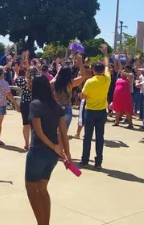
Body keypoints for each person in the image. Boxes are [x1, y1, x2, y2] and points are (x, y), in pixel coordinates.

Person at [26, 75, 71, 225]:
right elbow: (64, 132)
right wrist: (66, 153)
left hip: (39, 151)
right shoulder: (56, 105)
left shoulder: (35, 105)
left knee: (31, 189)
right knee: (43, 189)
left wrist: (54, 146)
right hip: (53, 155)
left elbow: (38, 132)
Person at [79, 44, 110, 169]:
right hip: (102, 111)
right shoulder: (107, 79)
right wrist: (105, 53)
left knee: (87, 137)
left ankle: (85, 160)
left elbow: (83, 96)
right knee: (99, 137)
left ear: (93, 71)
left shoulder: (90, 81)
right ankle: (98, 162)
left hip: (90, 111)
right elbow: (107, 65)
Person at [51, 59, 85, 132]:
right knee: (63, 133)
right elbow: (83, 75)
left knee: (53, 132)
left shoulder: (54, 83)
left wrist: (57, 74)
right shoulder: (70, 84)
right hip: (66, 108)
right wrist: (80, 62)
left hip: (56, 107)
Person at [111, 65, 134, 129]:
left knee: (127, 109)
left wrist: (123, 72)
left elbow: (130, 75)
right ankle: (116, 121)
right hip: (117, 96)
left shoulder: (129, 78)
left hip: (125, 96)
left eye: (124, 73)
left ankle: (130, 124)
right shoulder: (118, 79)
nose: (122, 74)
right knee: (117, 108)